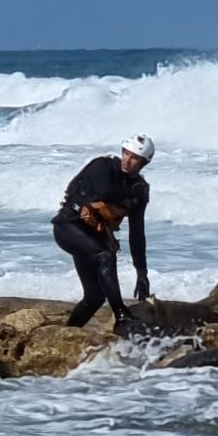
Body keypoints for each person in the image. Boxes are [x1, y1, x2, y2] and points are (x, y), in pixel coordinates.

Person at [53, 133, 155, 329]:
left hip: (93, 236)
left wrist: (141, 272)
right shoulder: (102, 166)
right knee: (105, 255)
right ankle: (121, 313)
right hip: (68, 227)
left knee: (95, 297)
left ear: (144, 163)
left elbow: (137, 233)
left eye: (134, 158)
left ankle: (68, 332)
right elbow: (104, 191)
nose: (127, 160)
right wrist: (134, 193)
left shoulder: (139, 190)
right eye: (126, 153)